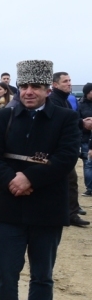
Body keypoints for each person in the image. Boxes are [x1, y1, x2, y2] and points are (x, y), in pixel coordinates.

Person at [0, 60, 79, 300]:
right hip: (10, 206)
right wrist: (13, 179)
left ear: (47, 90)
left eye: (35, 87)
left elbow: (66, 159)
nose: (28, 92)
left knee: (42, 275)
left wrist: (30, 178)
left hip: (47, 209)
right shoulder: (4, 118)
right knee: (5, 272)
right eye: (24, 86)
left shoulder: (65, 119)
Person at [49, 71, 91, 227]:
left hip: (64, 148)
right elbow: (61, 121)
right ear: (55, 84)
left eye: (70, 80)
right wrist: (82, 123)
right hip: (57, 150)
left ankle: (68, 211)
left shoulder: (64, 100)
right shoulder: (54, 100)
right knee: (69, 180)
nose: (69, 83)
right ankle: (69, 214)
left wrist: (80, 121)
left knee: (66, 181)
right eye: (65, 81)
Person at [79, 83, 92, 197]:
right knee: (88, 163)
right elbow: (76, 120)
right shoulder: (80, 104)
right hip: (86, 138)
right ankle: (90, 188)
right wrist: (84, 123)